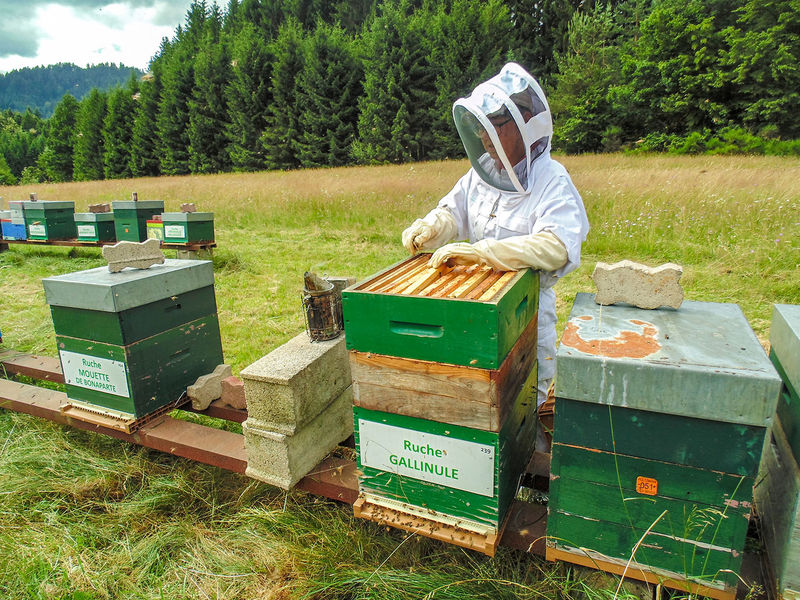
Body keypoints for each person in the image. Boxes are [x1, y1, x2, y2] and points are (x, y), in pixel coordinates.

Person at [401, 62, 589, 410]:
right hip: (474, 307)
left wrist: (485, 252)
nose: (484, 138)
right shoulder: (483, 171)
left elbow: (557, 246)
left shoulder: (551, 179)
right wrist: (431, 226)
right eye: (481, 128)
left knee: (522, 405)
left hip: (525, 314)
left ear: (522, 127)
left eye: (494, 127)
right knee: (475, 401)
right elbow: (453, 210)